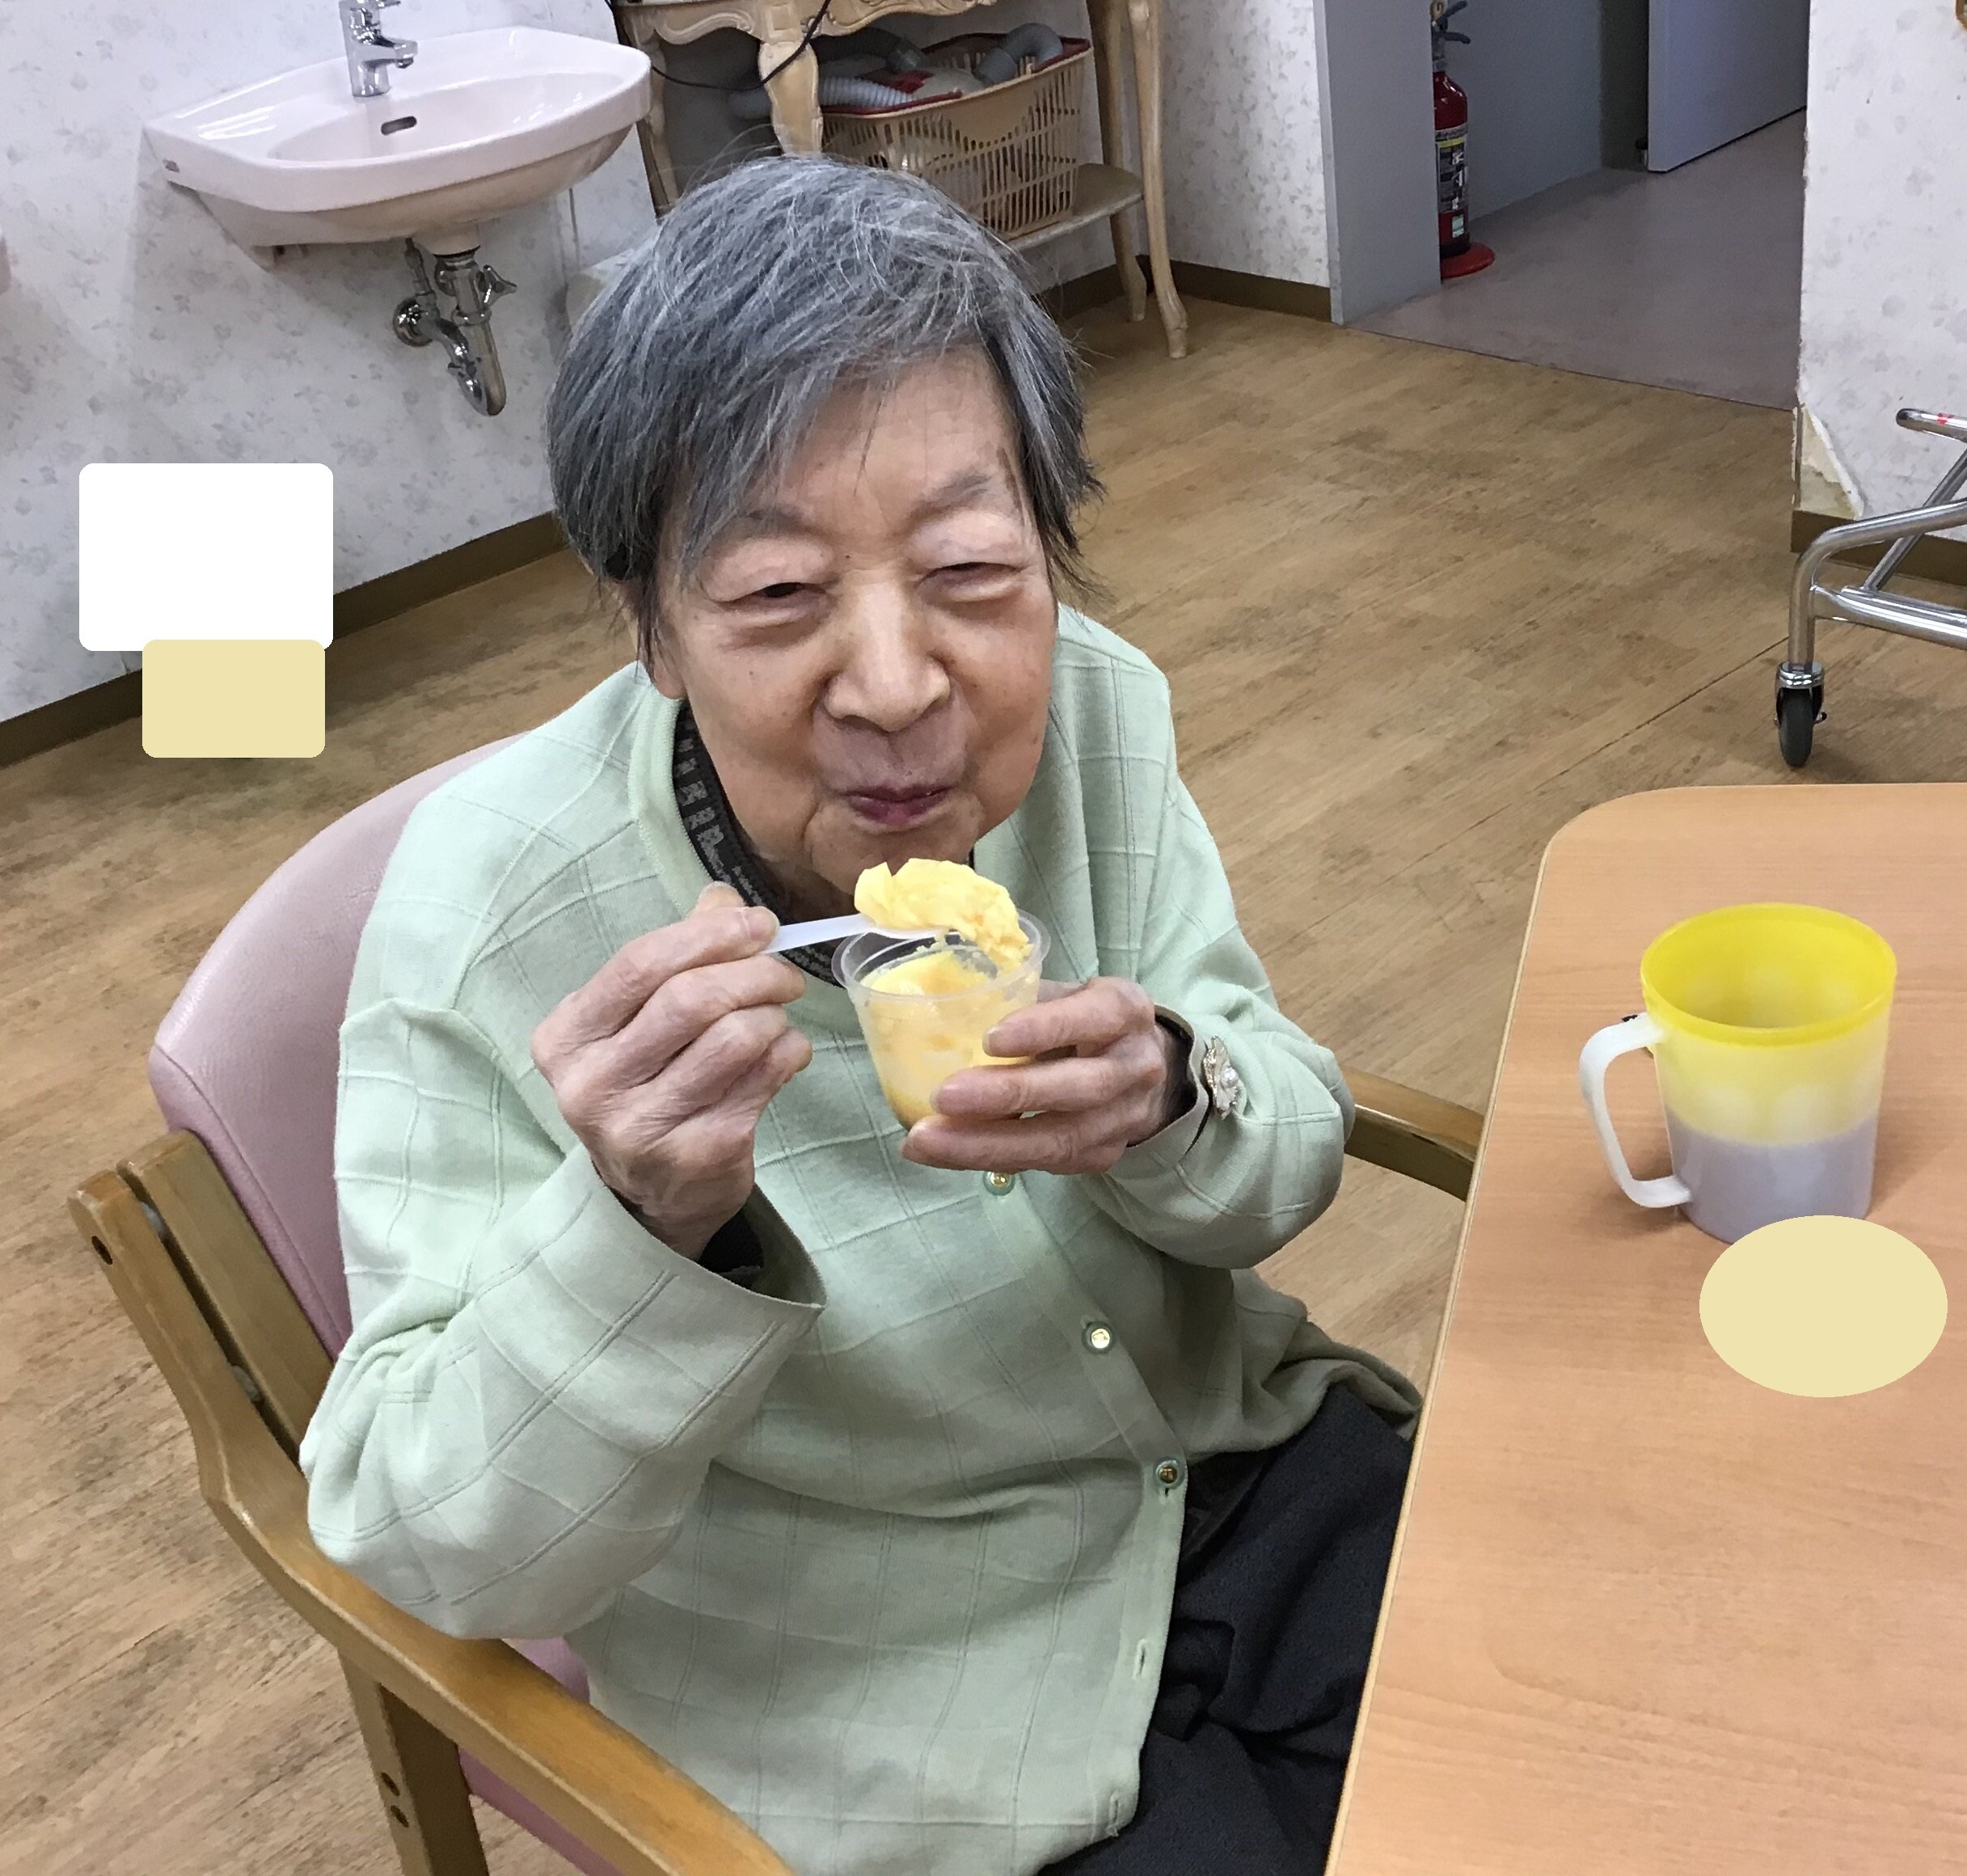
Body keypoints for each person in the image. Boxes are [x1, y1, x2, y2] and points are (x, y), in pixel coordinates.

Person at [302, 154, 1416, 1876]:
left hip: (1232, 1466)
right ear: (649, 625)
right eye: (775, 595)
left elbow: (1275, 1164)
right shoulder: (489, 917)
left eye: (970, 566)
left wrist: (1174, 1099)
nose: (898, 688)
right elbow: (440, 1542)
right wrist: (633, 1230)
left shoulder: (1096, 713)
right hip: (891, 1676)